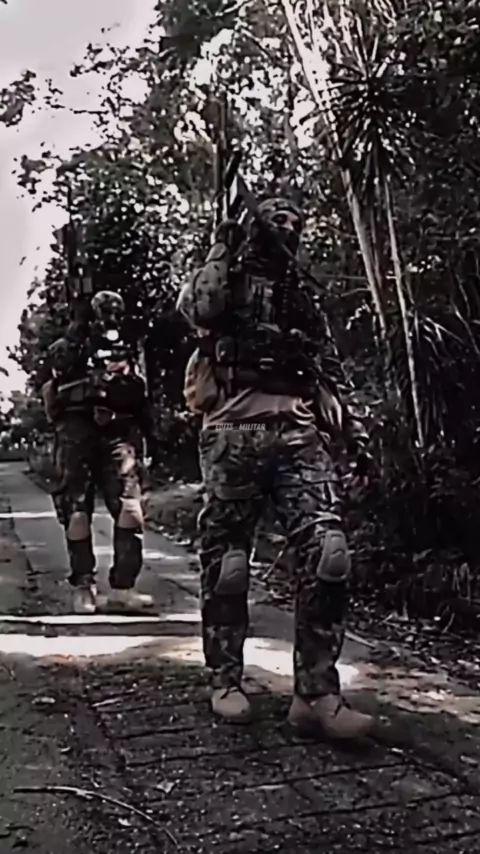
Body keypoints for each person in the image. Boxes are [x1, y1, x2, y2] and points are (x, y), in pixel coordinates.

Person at [177, 197, 374, 740]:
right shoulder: (226, 278)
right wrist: (222, 245)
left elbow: (329, 371)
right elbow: (197, 308)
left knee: (329, 554)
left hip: (299, 434)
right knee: (229, 564)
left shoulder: (301, 295)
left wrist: (356, 438)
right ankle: (225, 679)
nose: (285, 228)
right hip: (234, 432)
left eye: (294, 221)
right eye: (275, 219)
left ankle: (316, 693)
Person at [44, 290, 155, 616]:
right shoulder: (69, 345)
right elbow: (57, 375)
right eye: (105, 311)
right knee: (77, 511)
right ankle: (83, 585)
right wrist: (78, 334)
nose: (110, 317)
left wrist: (150, 437)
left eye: (116, 311)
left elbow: (141, 392)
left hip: (119, 431)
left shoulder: (128, 346)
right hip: (77, 431)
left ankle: (123, 587)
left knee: (130, 508)